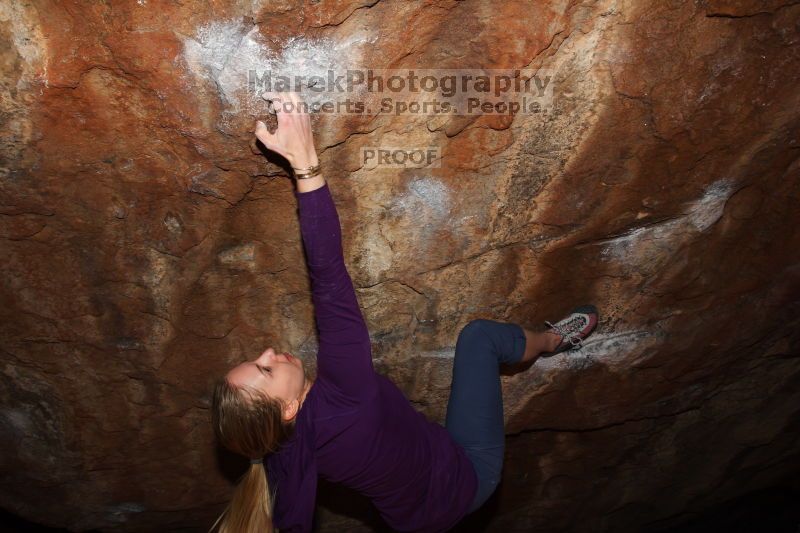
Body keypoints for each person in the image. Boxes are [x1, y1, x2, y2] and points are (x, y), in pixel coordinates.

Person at [210, 91, 599, 533]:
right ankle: (553, 341)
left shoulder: (280, 450)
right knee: (479, 339)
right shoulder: (346, 396)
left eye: (255, 362)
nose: (267, 352)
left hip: (413, 519)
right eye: (264, 371)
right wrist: (305, 163)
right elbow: (328, 278)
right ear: (286, 410)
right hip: (468, 478)